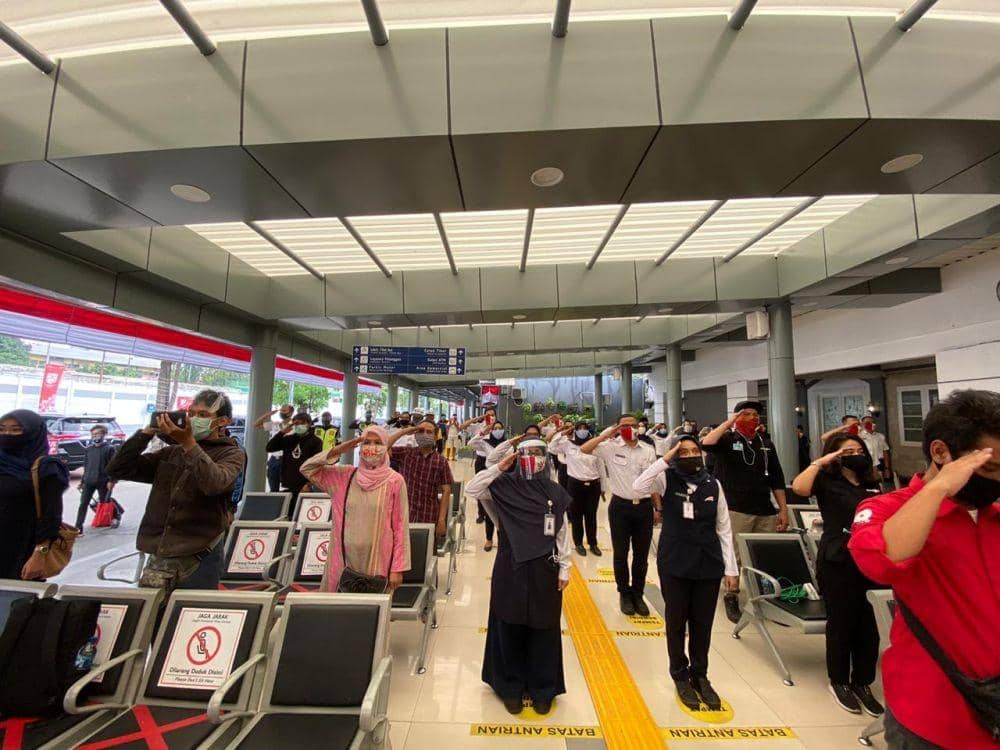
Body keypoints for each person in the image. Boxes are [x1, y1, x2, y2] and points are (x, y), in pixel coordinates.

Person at [848, 389, 1000, 750]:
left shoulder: (994, 518)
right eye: (989, 468)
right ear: (940, 452)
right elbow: (882, 559)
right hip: (933, 714)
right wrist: (941, 488)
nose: (995, 480)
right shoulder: (887, 508)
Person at [465, 440, 572, 716]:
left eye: (538, 453)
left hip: (545, 565)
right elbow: (472, 488)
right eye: (526, 453)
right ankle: (509, 686)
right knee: (508, 622)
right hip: (510, 563)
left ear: (546, 458)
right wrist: (499, 467)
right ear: (516, 456)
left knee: (543, 626)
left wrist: (565, 567)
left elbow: (562, 531)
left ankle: (542, 687)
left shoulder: (555, 492)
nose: (532, 458)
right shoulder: (502, 486)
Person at [633, 436, 738, 711]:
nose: (691, 456)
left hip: (708, 562)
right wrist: (665, 459)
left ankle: (700, 675)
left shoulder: (713, 484)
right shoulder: (667, 479)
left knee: (702, 624)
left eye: (695, 451)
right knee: (677, 621)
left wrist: (731, 569)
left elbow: (724, 529)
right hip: (675, 562)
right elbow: (638, 486)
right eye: (685, 452)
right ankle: (679, 674)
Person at [107, 390, 244, 591]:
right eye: (191, 413)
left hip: (199, 555)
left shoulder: (231, 453)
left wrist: (189, 443)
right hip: (159, 554)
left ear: (223, 421)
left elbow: (214, 483)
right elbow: (119, 468)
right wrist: (147, 432)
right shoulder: (172, 452)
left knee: (190, 616)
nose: (194, 419)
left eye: (203, 415)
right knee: (150, 618)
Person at [792, 434, 884, 717]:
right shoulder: (826, 481)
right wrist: (821, 461)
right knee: (842, 622)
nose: (855, 454)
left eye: (859, 450)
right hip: (838, 558)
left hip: (871, 558)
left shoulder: (872, 484)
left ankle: (863, 682)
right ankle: (840, 681)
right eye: (848, 451)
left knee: (869, 627)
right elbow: (799, 487)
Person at [701, 401, 788, 624]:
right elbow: (706, 443)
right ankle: (732, 596)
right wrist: (730, 422)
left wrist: (783, 510)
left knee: (766, 556)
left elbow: (777, 479)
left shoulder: (766, 444)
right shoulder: (728, 440)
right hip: (735, 507)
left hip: (765, 509)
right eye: (746, 414)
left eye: (756, 415)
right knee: (735, 555)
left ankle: (768, 600)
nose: (753, 418)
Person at [300, 425, 410, 592]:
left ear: (386, 447)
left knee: (370, 613)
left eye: (378, 442)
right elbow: (307, 469)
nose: (372, 447)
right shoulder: (343, 476)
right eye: (366, 442)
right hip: (342, 558)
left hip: (378, 560)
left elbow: (400, 527)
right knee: (338, 611)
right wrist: (337, 450)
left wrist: (397, 568)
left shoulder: (394, 481)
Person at [580, 414, 662, 616]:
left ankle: (638, 594)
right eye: (625, 426)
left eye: (634, 425)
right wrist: (607, 434)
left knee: (641, 556)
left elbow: (652, 482)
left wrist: (657, 508)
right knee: (621, 553)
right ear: (617, 427)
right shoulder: (610, 447)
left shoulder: (648, 450)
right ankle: (624, 593)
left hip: (643, 508)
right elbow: (584, 449)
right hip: (620, 507)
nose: (631, 428)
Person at [0, 410, 69, 580]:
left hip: (21, 550)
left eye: (16, 430)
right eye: (1, 429)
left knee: (13, 603)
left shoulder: (46, 468)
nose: (7, 434)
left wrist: (39, 554)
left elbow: (51, 516)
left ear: (33, 433)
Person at [387, 422, 453, 544]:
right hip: (404, 515)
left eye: (429, 432)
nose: (424, 435)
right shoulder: (406, 453)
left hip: (428, 515)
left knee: (426, 555)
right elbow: (384, 448)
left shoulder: (441, 461)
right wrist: (404, 432)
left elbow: (446, 490)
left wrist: (441, 520)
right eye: (421, 431)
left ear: (435, 436)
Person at [548, 421, 602, 556]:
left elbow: (600, 467)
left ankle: (593, 543)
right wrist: (564, 432)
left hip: (593, 485)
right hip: (575, 484)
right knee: (576, 515)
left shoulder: (595, 445)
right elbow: (552, 447)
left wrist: (603, 488)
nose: (582, 431)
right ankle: (578, 543)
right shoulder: (568, 445)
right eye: (579, 428)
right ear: (575, 430)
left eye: (585, 428)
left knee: (591, 515)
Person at [468, 413, 505, 550]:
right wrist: (484, 431)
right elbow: (471, 443)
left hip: (503, 482)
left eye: (500, 428)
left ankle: (502, 542)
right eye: (495, 428)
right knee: (490, 513)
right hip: (490, 480)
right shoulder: (486, 444)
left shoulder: (508, 445)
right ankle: (489, 539)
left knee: (502, 513)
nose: (497, 430)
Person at [266, 411, 323, 502]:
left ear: (308, 424)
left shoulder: (316, 441)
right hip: (289, 481)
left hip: (304, 483)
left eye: (302, 423)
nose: (299, 426)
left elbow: (316, 464)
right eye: (296, 423)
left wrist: (309, 483)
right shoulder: (289, 439)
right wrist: (282, 432)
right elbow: (270, 448)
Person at [75, 424, 116, 533]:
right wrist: (82, 481)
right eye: (93, 434)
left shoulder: (109, 449)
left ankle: (115, 516)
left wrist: (112, 481)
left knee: (104, 502)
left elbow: (113, 467)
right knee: (83, 503)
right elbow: (86, 466)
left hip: (103, 481)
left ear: (104, 435)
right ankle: (78, 527)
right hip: (89, 481)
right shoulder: (89, 449)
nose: (95, 436)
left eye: (98, 434)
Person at [255, 404, 293, 492]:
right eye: (281, 410)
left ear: (290, 413)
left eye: (284, 411)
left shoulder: (295, 426)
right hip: (273, 460)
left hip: (286, 459)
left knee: (288, 488)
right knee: (273, 488)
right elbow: (256, 425)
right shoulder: (275, 424)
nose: (281, 412)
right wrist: (268, 414)